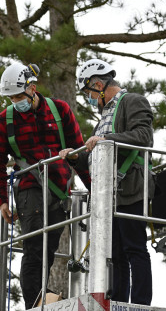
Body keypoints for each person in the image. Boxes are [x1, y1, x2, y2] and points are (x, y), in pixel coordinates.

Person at [0, 62, 91, 309]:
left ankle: (43, 299)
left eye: (18, 96)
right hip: (28, 189)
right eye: (10, 98)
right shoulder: (5, 121)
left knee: (49, 249)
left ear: (32, 88)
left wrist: (94, 189)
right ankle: (34, 304)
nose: (15, 102)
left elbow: (80, 155)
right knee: (35, 247)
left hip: (59, 190)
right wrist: (1, 200)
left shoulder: (60, 110)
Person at [59, 58, 155, 306]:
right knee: (116, 254)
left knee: (135, 247)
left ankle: (140, 303)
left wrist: (106, 140)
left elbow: (143, 136)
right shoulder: (103, 117)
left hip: (131, 187)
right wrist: (75, 158)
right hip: (108, 194)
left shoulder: (132, 101)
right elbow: (94, 160)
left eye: (88, 92)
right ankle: (119, 301)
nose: (89, 98)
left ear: (99, 84)